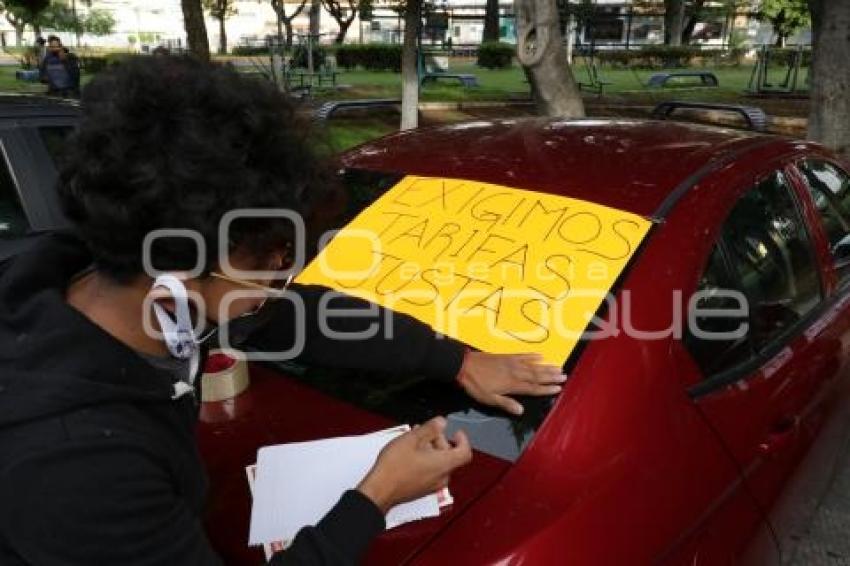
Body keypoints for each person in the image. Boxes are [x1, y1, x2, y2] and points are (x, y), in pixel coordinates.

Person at [0, 57, 566, 565]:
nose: (283, 278)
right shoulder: (77, 467)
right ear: (178, 268)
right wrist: (374, 498)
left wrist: (457, 360)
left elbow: (296, 317)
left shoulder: (123, 281)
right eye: (271, 263)